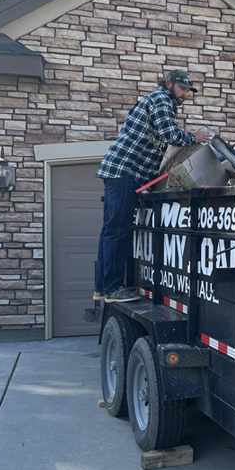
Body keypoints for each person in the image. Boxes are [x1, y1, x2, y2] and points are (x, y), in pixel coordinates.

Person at [94, 69, 212, 303]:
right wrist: (194, 137)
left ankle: (102, 287)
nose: (185, 94)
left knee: (111, 231)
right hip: (124, 172)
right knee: (117, 231)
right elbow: (169, 134)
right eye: (182, 88)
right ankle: (112, 289)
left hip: (125, 174)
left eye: (188, 90)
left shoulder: (160, 101)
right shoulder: (161, 99)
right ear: (169, 84)